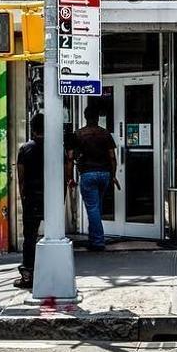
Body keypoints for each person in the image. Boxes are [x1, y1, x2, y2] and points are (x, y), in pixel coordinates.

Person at [67, 107, 117, 251]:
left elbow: (70, 158)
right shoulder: (105, 134)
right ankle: (93, 238)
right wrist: (113, 175)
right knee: (96, 206)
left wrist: (69, 177)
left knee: (93, 208)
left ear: (85, 117)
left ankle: (97, 242)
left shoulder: (78, 134)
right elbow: (112, 157)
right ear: (97, 117)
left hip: (88, 174)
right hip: (104, 174)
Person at [14, 112, 44, 289]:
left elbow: (21, 178)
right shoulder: (55, 146)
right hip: (50, 197)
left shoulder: (25, 149)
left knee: (30, 237)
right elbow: (63, 173)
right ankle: (50, 272)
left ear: (32, 129)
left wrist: (23, 197)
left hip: (32, 197)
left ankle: (28, 275)